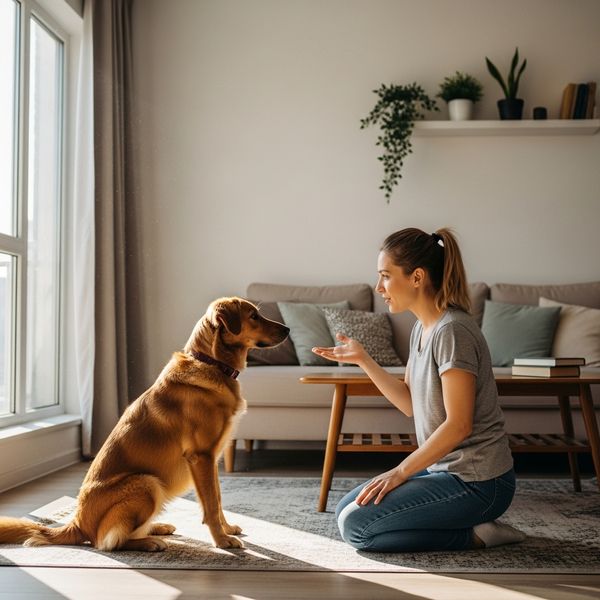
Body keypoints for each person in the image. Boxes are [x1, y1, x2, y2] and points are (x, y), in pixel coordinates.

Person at [312, 227, 525, 552]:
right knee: (345, 510)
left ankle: (478, 534)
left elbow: (459, 425)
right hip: (445, 469)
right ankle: (465, 525)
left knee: (356, 528)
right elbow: (410, 403)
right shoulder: (422, 329)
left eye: (385, 275)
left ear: (417, 277)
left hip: (480, 482)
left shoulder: (453, 331)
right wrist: (363, 360)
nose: (379, 286)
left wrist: (399, 473)